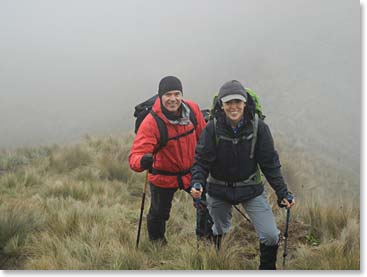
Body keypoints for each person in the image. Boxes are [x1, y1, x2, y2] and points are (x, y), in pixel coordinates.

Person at [190, 80, 295, 270]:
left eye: (238, 102)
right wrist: (197, 183)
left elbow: (270, 164)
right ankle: (217, 264)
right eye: (229, 102)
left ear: (245, 103)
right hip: (218, 189)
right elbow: (201, 161)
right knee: (218, 231)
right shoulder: (212, 128)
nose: (233, 107)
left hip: (251, 189)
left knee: (271, 235)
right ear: (221, 105)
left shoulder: (259, 128)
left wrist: (282, 193)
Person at [129, 76, 206, 244]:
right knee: (158, 214)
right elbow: (135, 155)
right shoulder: (152, 122)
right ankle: (157, 246)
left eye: (177, 94)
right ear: (160, 96)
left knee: (205, 204)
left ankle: (206, 242)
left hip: (191, 173)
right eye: (168, 95)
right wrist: (142, 161)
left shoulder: (192, 110)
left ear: (182, 94)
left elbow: (204, 138)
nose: (173, 99)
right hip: (163, 176)